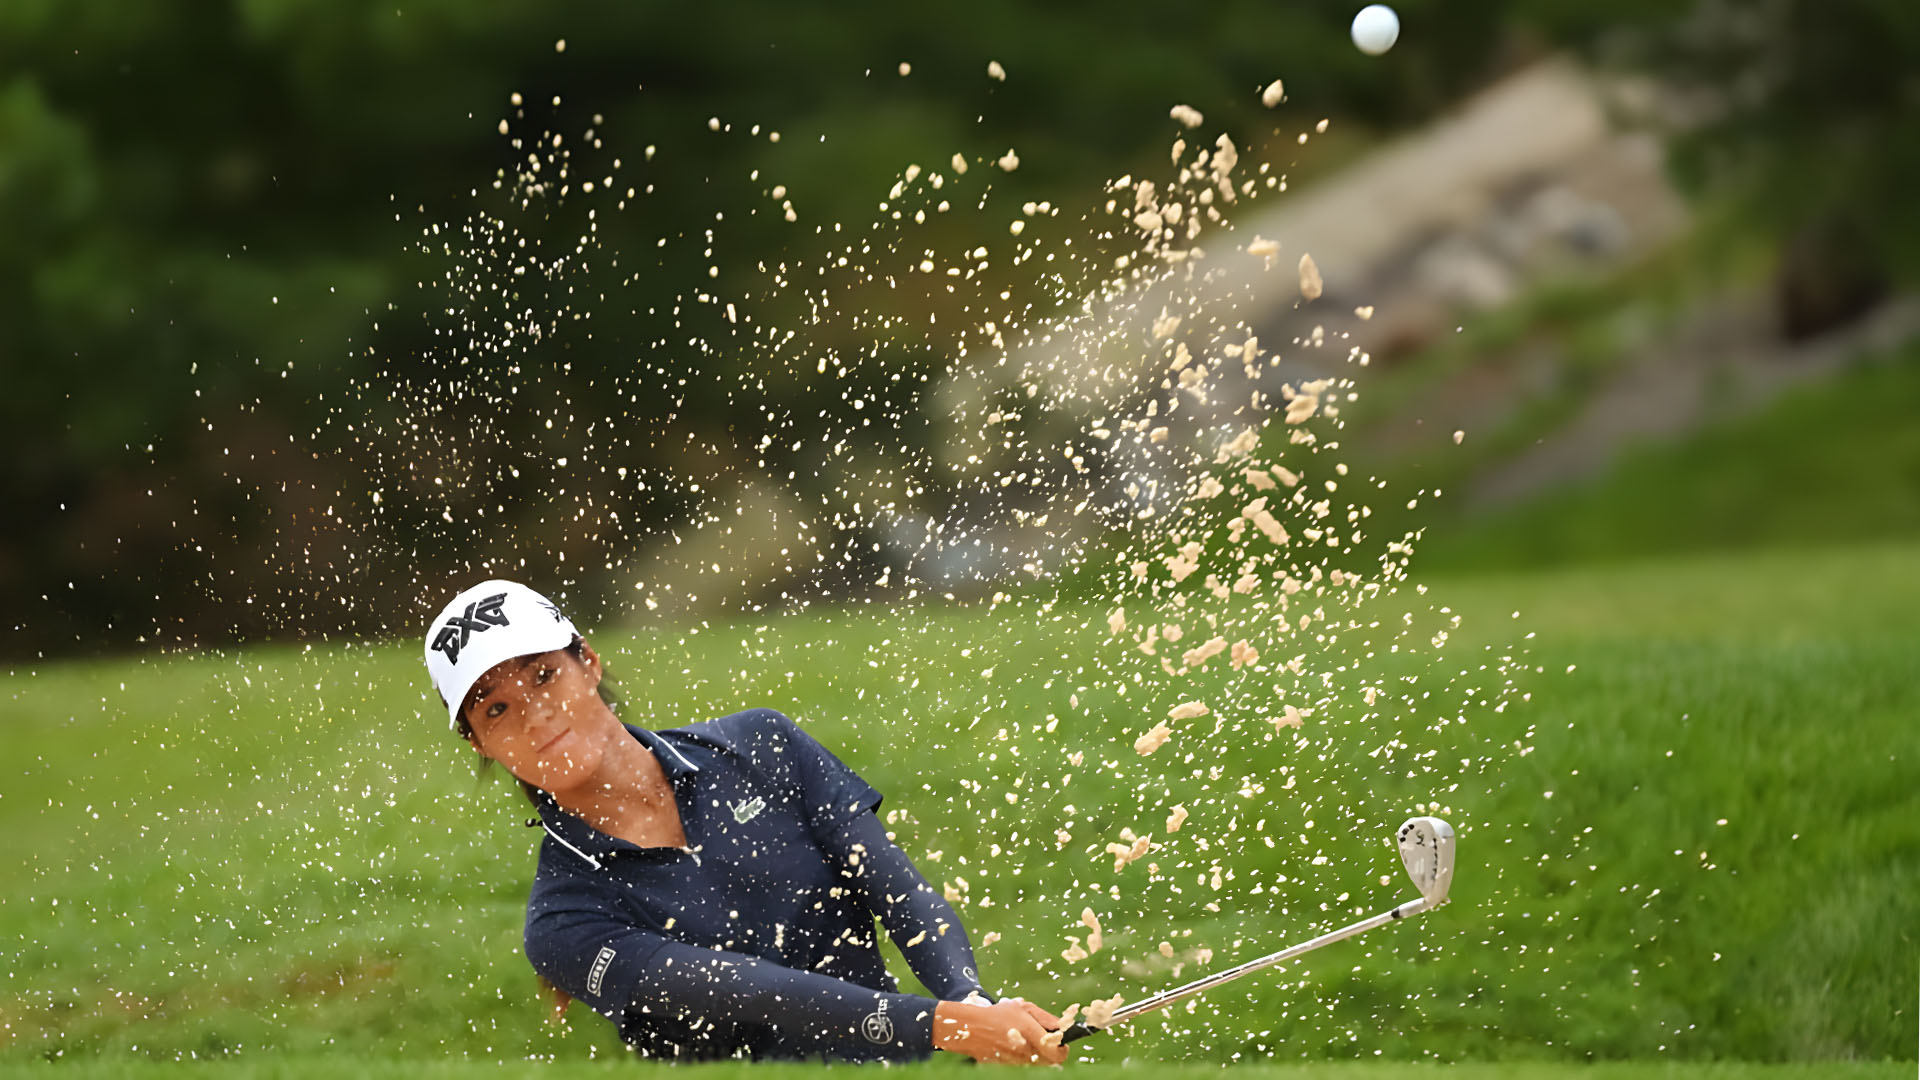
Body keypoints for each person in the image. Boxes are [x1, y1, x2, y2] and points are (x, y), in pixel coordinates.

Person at [423, 580, 1070, 1064]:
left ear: (587, 661)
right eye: (498, 709)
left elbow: (893, 884)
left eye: (543, 675)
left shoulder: (762, 744)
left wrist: (969, 999)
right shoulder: (562, 921)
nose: (536, 715)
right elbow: (736, 990)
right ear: (481, 744)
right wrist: (940, 1024)